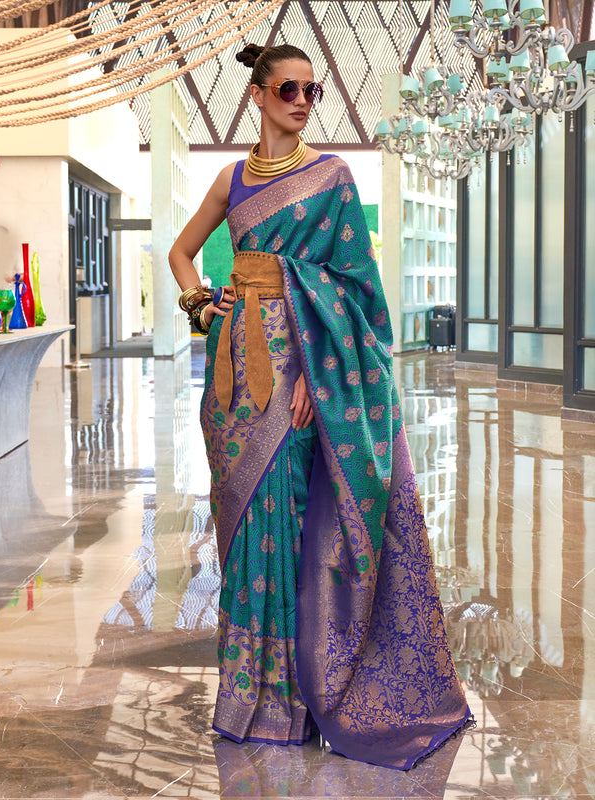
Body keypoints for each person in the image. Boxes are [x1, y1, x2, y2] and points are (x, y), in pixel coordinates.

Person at [169, 42, 471, 770]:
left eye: (312, 91)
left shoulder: (331, 177)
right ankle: (246, 697)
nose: (303, 102)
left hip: (300, 371)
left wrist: (320, 372)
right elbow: (180, 253)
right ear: (257, 95)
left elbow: (356, 290)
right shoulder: (230, 179)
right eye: (289, 90)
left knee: (294, 522)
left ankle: (296, 697)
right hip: (235, 371)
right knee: (241, 525)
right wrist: (201, 304)